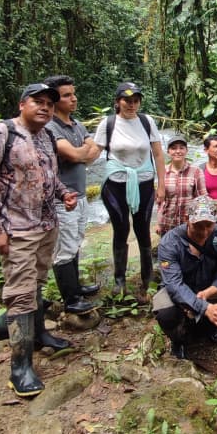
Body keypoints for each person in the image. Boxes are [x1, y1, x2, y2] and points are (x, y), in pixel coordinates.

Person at [0, 82, 79, 397]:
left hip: (45, 225)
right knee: (20, 294)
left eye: (49, 103)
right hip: (15, 229)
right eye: (38, 102)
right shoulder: (0, 134)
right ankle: (20, 367)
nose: (45, 107)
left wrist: (64, 194)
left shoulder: (45, 136)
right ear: (22, 104)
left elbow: (48, 177)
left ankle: (40, 333)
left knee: (38, 285)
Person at [153, 196, 217, 359]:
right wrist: (205, 307)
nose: (204, 231)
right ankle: (178, 338)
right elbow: (174, 285)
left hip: (212, 290)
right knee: (165, 312)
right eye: (198, 226)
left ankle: (210, 325)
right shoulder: (170, 242)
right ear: (187, 220)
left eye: (209, 225)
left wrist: (210, 292)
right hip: (182, 292)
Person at [94, 82, 167, 301]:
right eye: (127, 100)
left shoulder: (147, 122)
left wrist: (161, 185)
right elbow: (93, 152)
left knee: (143, 229)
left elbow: (159, 155)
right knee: (121, 229)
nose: (131, 105)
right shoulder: (107, 124)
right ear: (118, 102)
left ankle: (147, 278)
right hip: (115, 185)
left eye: (136, 100)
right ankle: (119, 281)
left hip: (144, 183)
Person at [42, 75, 101, 314]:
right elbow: (77, 156)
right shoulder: (49, 127)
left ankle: (76, 288)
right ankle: (71, 299)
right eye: (67, 95)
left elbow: (94, 151)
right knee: (64, 248)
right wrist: (82, 152)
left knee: (75, 242)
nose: (73, 98)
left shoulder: (77, 125)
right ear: (55, 100)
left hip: (81, 196)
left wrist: (81, 152)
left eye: (73, 93)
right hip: (61, 199)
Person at [156, 135, 207, 236]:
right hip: (167, 225)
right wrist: (158, 223)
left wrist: (199, 223)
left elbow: (202, 199)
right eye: (173, 148)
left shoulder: (196, 172)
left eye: (181, 148)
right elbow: (159, 202)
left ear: (186, 151)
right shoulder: (162, 172)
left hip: (189, 226)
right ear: (168, 152)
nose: (178, 151)